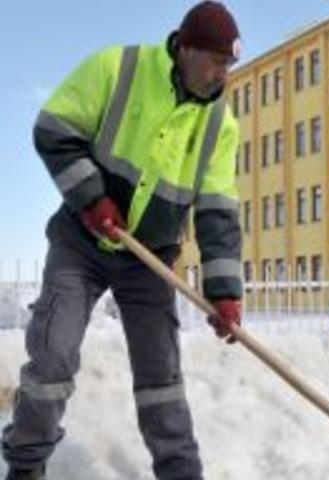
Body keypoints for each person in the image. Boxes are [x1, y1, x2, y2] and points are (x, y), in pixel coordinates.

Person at [2, 3, 243, 479]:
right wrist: (92, 198)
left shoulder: (221, 125)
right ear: (185, 48)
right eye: (215, 61)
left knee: (162, 379)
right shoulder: (119, 68)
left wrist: (224, 293)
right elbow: (53, 128)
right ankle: (26, 466)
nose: (221, 75)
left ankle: (181, 473)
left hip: (149, 259)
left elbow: (217, 211)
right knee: (52, 356)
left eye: (229, 65)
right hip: (80, 242)